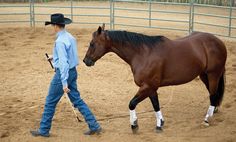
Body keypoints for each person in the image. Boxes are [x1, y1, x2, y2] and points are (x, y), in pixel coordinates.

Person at [30, 13, 101, 137]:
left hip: (64, 74)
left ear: (56, 26)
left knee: (50, 102)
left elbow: (63, 64)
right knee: (77, 100)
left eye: (53, 25)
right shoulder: (70, 37)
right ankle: (94, 125)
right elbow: (69, 57)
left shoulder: (60, 41)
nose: (53, 27)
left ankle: (44, 130)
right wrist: (55, 57)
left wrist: (63, 82)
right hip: (73, 71)